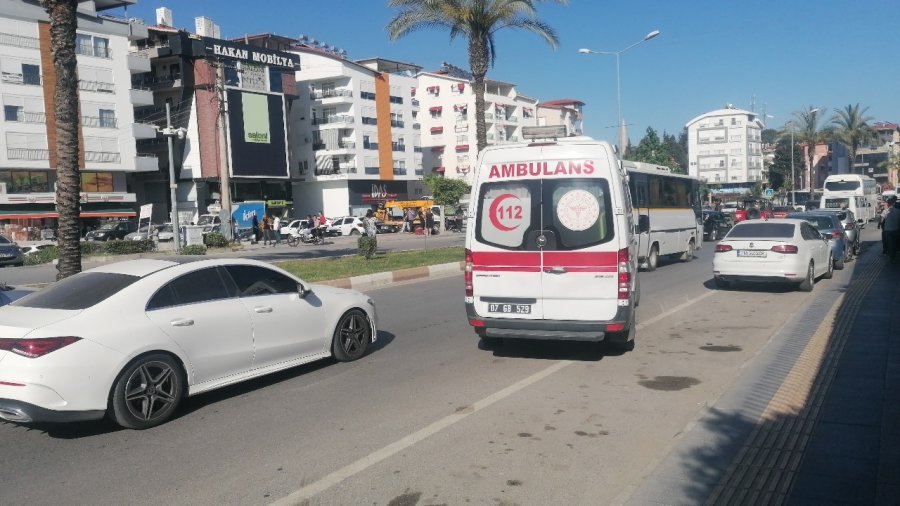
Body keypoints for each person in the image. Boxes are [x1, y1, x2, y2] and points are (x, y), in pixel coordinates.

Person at [883, 197, 900, 262]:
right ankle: (894, 255)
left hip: (887, 231)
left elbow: (881, 220)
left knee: (890, 244)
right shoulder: (898, 211)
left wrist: (881, 223)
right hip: (896, 230)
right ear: (893, 203)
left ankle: (891, 256)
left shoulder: (885, 211)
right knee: (895, 243)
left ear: (888, 204)